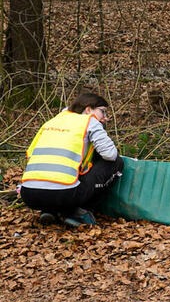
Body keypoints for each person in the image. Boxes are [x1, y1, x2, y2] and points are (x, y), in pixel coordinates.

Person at [19, 92, 124, 227]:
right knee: (116, 163)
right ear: (88, 109)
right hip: (63, 195)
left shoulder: (54, 121)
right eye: (103, 112)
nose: (106, 118)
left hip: (28, 194)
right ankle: (80, 212)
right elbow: (110, 155)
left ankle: (50, 210)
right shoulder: (89, 121)